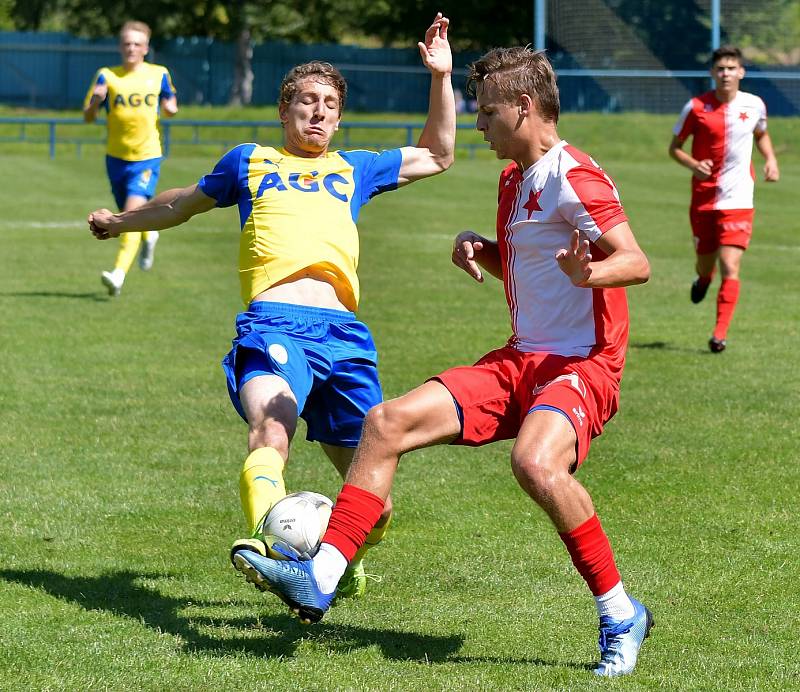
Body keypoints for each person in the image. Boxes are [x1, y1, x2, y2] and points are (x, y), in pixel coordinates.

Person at [234, 46, 654, 678]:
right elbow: (529, 265)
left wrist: (588, 270)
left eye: (486, 112)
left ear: (524, 105)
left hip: (583, 364)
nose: (478, 125)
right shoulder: (515, 178)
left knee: (535, 463)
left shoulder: (575, 175)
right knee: (384, 423)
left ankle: (620, 611)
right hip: (520, 360)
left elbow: (636, 262)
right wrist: (482, 251)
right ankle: (319, 579)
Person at [88, 14, 455, 600]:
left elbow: (438, 154)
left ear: (338, 117)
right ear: (285, 112)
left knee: (379, 505)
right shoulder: (250, 161)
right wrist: (120, 222)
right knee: (270, 431)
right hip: (276, 323)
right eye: (306, 101)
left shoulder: (354, 168)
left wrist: (440, 77)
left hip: (346, 339)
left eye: (329, 103)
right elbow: (181, 202)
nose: (318, 111)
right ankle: (269, 545)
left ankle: (334, 558)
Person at [669, 45, 779, 353]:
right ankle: (703, 280)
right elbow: (674, 147)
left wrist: (770, 158)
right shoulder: (695, 107)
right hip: (704, 199)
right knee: (706, 264)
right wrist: (694, 164)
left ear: (741, 72)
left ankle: (719, 334)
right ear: (712, 73)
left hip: (740, 197)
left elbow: (761, 134)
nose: (726, 73)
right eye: (721, 68)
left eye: (732, 68)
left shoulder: (755, 105)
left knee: (731, 265)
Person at [84, 20, 178, 297]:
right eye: (126, 43)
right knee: (132, 217)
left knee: (126, 217)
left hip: (146, 157)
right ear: (119, 46)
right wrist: (95, 102)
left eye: (137, 44)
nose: (131, 48)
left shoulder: (159, 74)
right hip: (116, 159)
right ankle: (150, 233)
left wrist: (170, 107)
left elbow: (171, 104)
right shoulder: (106, 76)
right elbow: (87, 117)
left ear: (146, 48)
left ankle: (118, 274)